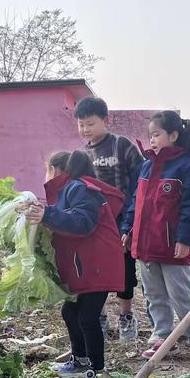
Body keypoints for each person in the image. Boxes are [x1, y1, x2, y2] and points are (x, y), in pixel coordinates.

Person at [26, 150, 125, 378]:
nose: (45, 175)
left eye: (47, 169)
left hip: (96, 266)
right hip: (86, 266)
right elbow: (64, 221)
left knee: (87, 318)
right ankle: (80, 361)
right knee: (71, 312)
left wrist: (47, 214)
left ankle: (97, 372)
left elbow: (83, 222)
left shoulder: (79, 188)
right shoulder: (70, 190)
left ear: (57, 170)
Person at [122, 111, 190, 365]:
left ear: (173, 135)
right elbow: (135, 203)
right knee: (154, 295)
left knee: (182, 294)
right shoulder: (146, 166)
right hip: (144, 244)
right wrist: (128, 230)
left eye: (156, 134)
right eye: (150, 135)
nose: (151, 140)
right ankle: (162, 336)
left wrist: (186, 239)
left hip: (173, 246)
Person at [74, 96, 144, 341]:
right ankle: (99, 317)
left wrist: (133, 219)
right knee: (94, 272)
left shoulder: (121, 146)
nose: (85, 129)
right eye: (81, 124)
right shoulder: (81, 155)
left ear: (105, 120)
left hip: (121, 223)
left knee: (124, 272)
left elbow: (140, 181)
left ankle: (126, 317)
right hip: (93, 225)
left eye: (90, 124)